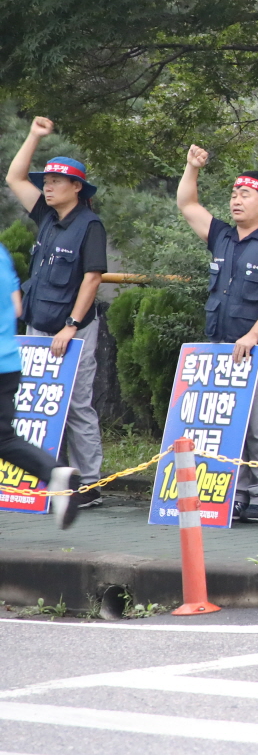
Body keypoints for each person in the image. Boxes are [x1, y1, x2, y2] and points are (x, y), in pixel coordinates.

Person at [175, 146, 258, 522]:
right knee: (229, 426)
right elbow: (187, 203)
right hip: (220, 350)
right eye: (233, 194)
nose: (236, 200)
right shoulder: (222, 236)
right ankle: (238, 491)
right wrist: (192, 167)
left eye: (245, 194)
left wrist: (253, 335)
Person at [5, 117, 108, 508]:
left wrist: (71, 325)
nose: (47, 187)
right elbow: (15, 177)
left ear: (77, 187)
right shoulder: (46, 217)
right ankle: (52, 477)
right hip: (38, 327)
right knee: (40, 403)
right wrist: (34, 136)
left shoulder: (90, 225)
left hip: (73, 331)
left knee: (77, 405)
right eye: (45, 181)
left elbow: (92, 278)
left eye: (55, 181)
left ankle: (90, 484)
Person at [0, 242, 80, 528]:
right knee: (3, 439)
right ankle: (53, 472)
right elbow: (16, 306)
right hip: (7, 361)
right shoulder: (1, 254)